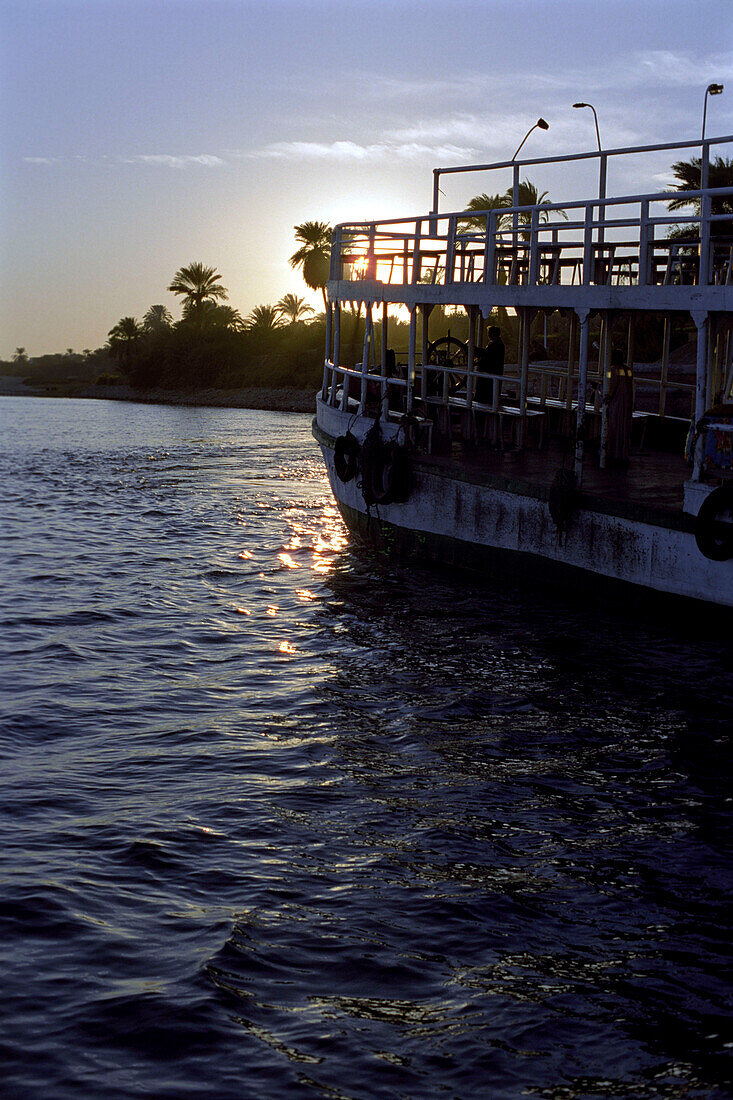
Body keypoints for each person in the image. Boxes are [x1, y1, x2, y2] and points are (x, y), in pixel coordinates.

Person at [605, 348, 633, 468]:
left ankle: (613, 453)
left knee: (614, 427)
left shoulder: (613, 370)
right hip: (627, 402)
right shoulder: (628, 370)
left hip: (617, 402)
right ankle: (623, 454)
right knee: (624, 428)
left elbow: (611, 384)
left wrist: (607, 397)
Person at [474, 326, 505, 406]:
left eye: (489, 333)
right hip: (490, 374)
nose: (488, 335)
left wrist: (476, 351)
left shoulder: (496, 345)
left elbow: (487, 356)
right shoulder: (497, 344)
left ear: (493, 334)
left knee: (485, 397)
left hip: (489, 375)